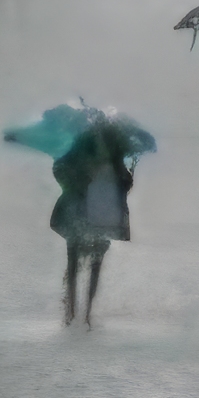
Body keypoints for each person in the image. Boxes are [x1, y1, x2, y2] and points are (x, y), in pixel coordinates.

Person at [50, 120, 136, 328]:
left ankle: (86, 313)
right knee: (74, 263)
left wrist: (127, 177)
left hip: (104, 217)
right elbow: (59, 169)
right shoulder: (79, 152)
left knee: (94, 264)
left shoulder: (115, 158)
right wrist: (77, 182)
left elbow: (125, 184)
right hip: (79, 214)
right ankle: (71, 311)